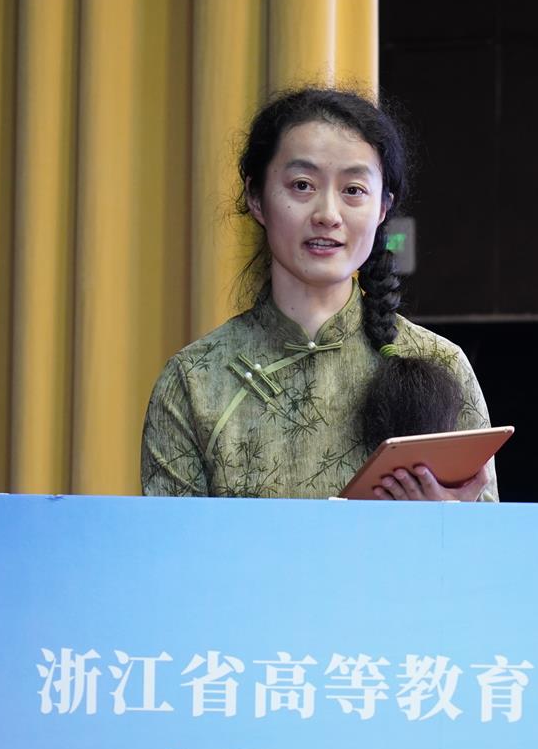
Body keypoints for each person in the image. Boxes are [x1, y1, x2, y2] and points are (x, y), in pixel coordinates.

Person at [140, 87, 499, 501]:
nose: (328, 214)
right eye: (302, 185)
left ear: (383, 208)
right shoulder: (193, 382)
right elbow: (172, 543)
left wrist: (446, 526)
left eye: (353, 190)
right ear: (256, 198)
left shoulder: (442, 364)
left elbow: (487, 536)